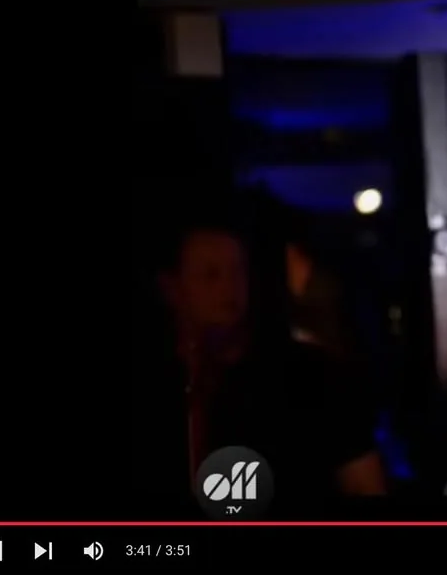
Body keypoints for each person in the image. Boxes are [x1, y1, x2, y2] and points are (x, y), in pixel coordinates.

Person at [143, 215, 388, 504]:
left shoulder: (311, 376)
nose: (229, 287)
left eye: (238, 271)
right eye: (210, 274)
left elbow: (365, 486)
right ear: (171, 288)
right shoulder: (157, 384)